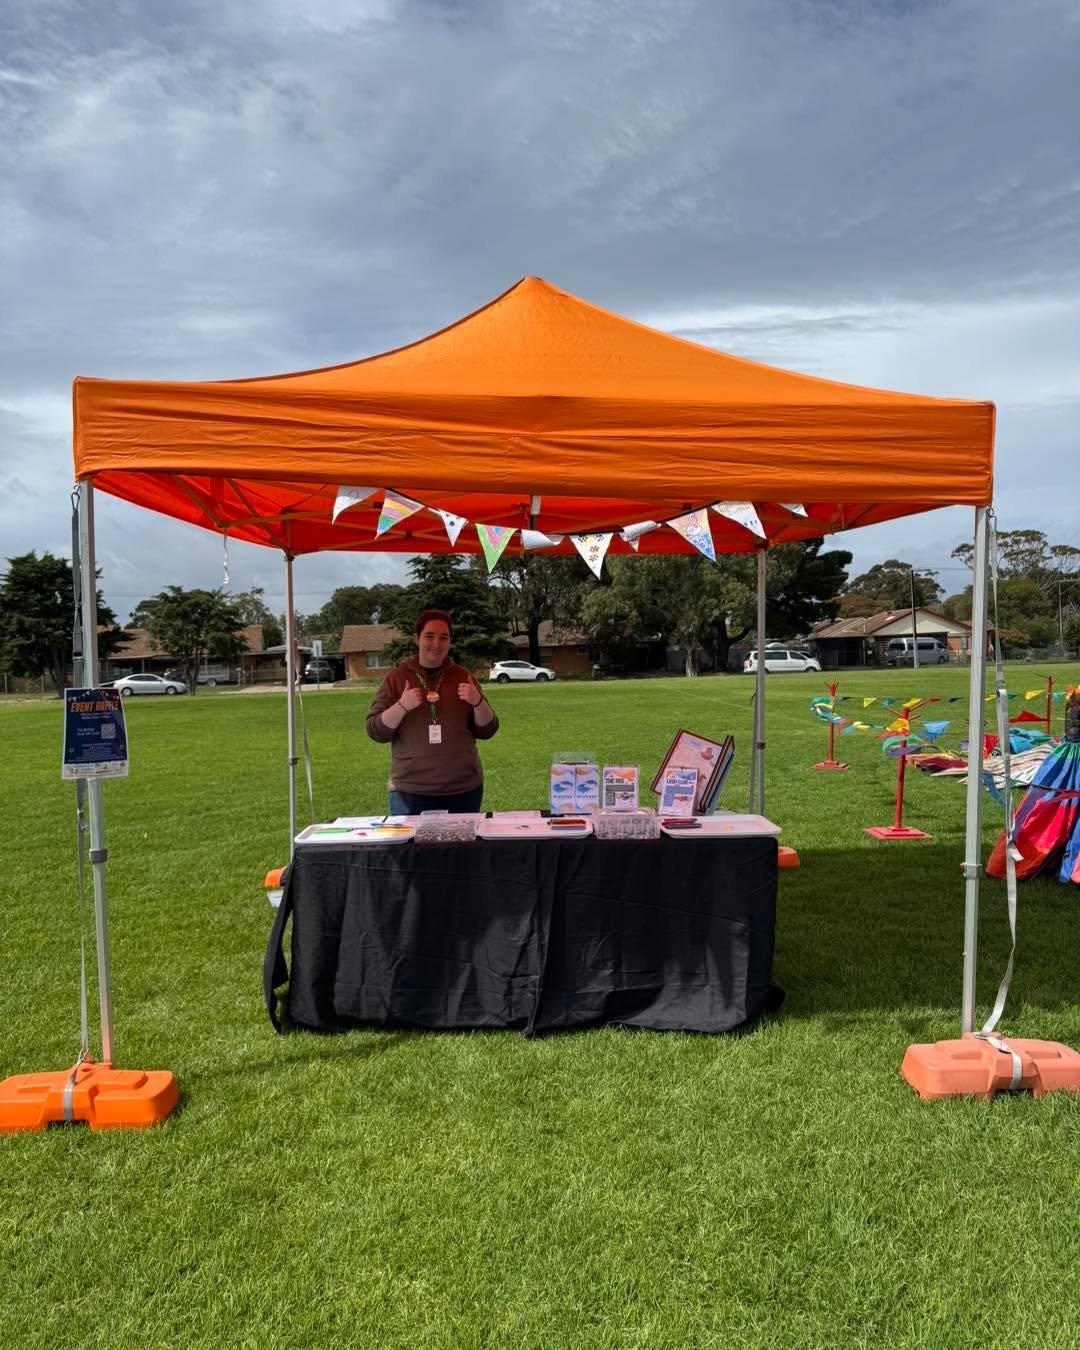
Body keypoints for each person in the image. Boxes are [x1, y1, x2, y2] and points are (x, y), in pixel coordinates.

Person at [365, 609, 499, 815]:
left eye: (443, 637)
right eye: (429, 636)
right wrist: (401, 706)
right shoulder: (397, 678)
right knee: (410, 839)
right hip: (410, 791)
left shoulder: (464, 677)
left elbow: (488, 730)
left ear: (450, 642)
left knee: (462, 839)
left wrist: (477, 701)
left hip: (463, 790)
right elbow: (375, 731)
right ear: (416, 638)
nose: (436, 644)